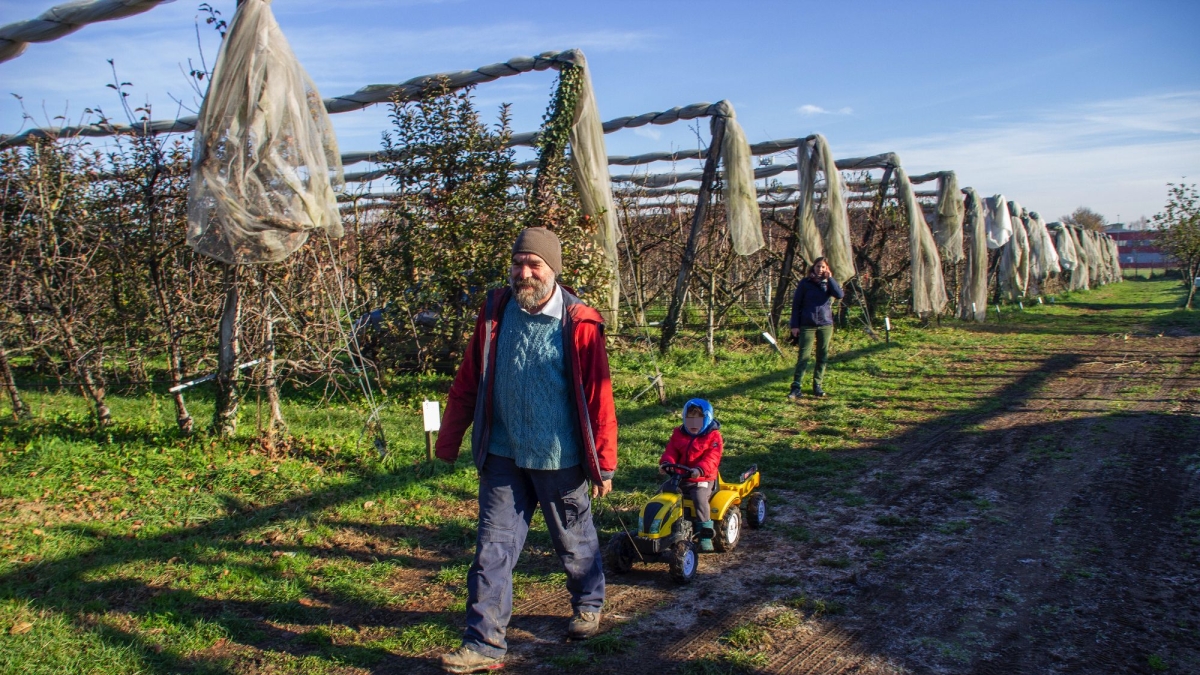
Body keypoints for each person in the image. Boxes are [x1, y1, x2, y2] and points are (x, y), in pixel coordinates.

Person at [434, 227, 618, 674]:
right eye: (519, 263)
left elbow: (599, 396)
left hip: (560, 456)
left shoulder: (579, 323)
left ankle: (588, 604)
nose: (525, 272)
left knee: (573, 541)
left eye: (534, 264)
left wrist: (604, 463)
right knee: (491, 549)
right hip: (503, 452)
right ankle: (483, 644)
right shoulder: (497, 310)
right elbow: (468, 377)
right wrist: (449, 437)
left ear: (552, 270)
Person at [658, 399, 724, 552]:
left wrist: (699, 470)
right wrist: (666, 462)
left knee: (700, 498)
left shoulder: (713, 437)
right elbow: (671, 451)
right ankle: (664, 527)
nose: (694, 424)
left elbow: (712, 458)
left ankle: (705, 535)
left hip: (702, 478)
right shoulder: (679, 433)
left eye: (698, 420)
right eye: (690, 420)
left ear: (707, 419)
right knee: (663, 492)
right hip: (681, 476)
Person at [788, 257, 843, 400]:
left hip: (825, 324)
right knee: (803, 356)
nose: (820, 269)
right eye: (818, 266)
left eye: (823, 267)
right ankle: (796, 386)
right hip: (807, 324)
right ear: (813, 267)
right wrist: (794, 325)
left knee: (822, 355)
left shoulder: (828, 284)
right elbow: (796, 305)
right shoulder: (805, 283)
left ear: (827, 269)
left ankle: (817, 385)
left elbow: (839, 294)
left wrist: (830, 279)